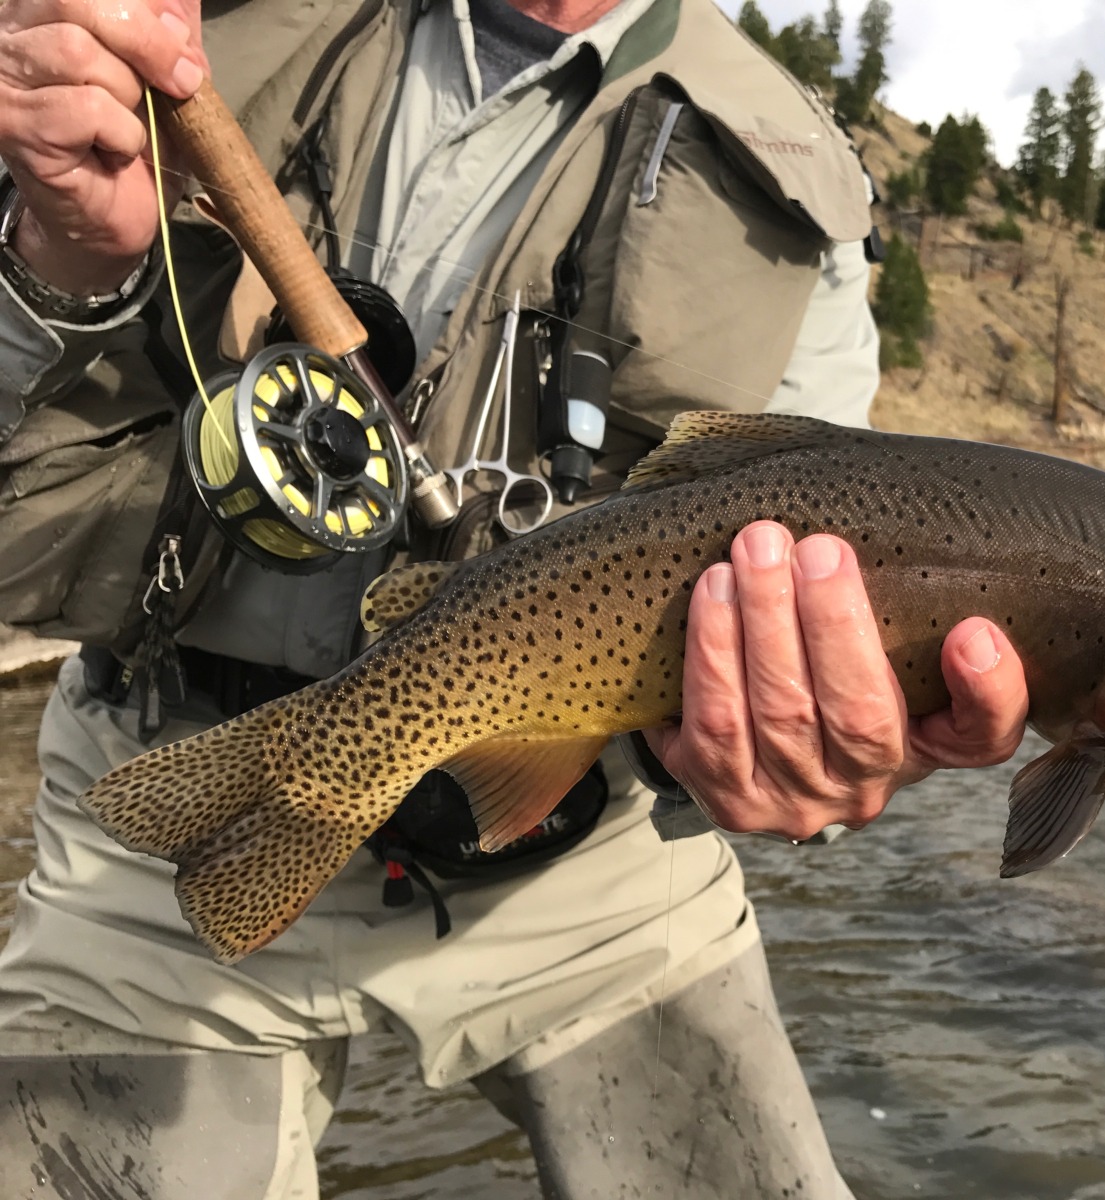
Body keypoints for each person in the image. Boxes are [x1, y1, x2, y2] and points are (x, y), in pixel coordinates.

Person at [0, 0, 1029, 1195]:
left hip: (584, 853)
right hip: (163, 773)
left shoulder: (795, 191)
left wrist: (797, 747)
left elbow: (814, 588)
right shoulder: (173, 36)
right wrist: (61, 262)